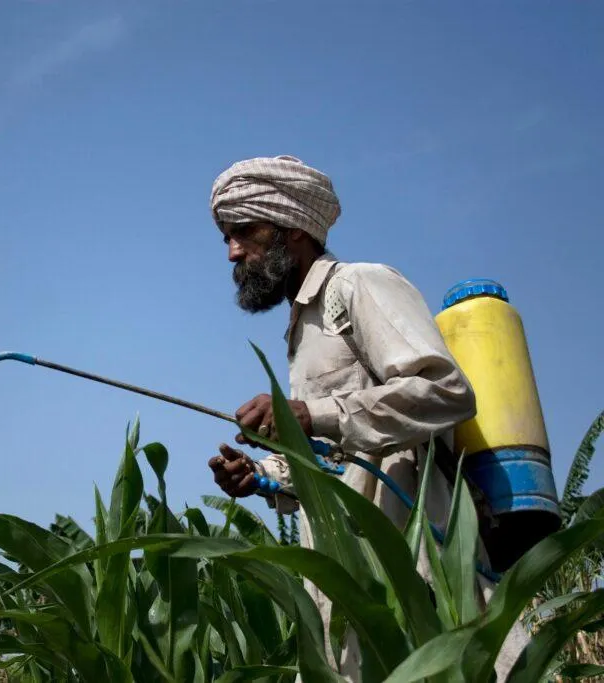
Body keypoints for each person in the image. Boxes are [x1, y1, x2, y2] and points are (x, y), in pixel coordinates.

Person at [205, 155, 526, 680]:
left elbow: (445, 391)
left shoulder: (359, 286)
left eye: (244, 231)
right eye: (226, 238)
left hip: (416, 574)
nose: (233, 251)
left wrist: (312, 413)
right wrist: (265, 477)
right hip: (355, 593)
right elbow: (343, 457)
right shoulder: (300, 331)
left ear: (293, 229)